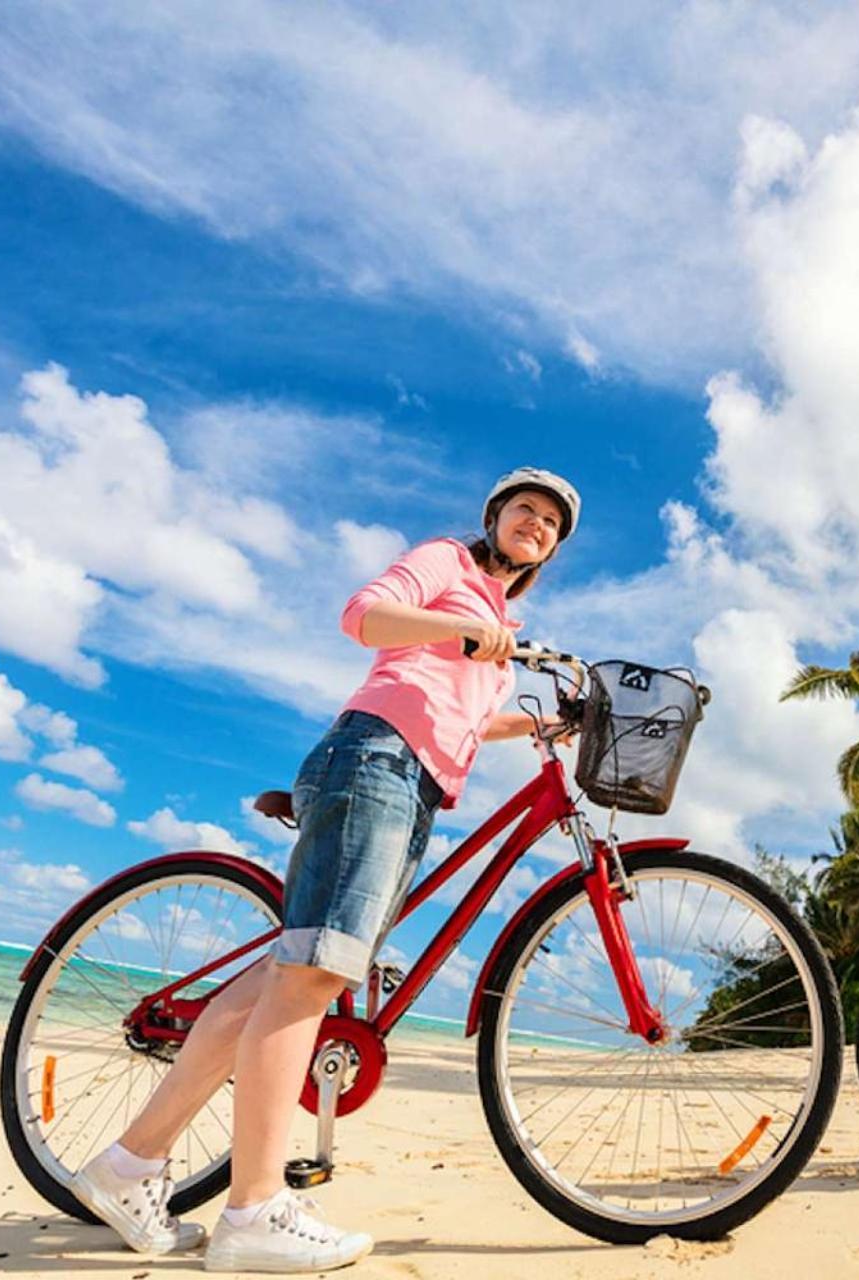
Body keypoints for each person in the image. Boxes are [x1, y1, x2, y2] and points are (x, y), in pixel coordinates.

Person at [69, 468, 583, 1271]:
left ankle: (129, 1166)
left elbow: (476, 721)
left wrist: (552, 720)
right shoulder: (449, 564)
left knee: (274, 987)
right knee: (312, 977)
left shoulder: (501, 631)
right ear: (496, 516)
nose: (538, 524)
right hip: (376, 757)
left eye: (553, 522)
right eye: (526, 508)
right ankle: (253, 1211)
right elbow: (365, 616)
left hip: (412, 783)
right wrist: (457, 631)